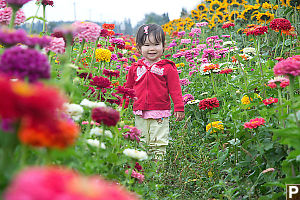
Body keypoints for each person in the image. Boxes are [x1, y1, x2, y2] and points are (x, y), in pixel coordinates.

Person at [124, 24, 185, 160]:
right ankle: (143, 168)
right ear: (139, 48)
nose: (152, 49)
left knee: (159, 141)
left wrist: (179, 107)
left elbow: (175, 89)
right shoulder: (135, 68)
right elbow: (128, 88)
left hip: (160, 112)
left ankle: (158, 170)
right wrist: (123, 104)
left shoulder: (167, 67)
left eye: (156, 44)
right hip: (140, 112)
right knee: (141, 141)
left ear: (163, 46)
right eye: (146, 45)